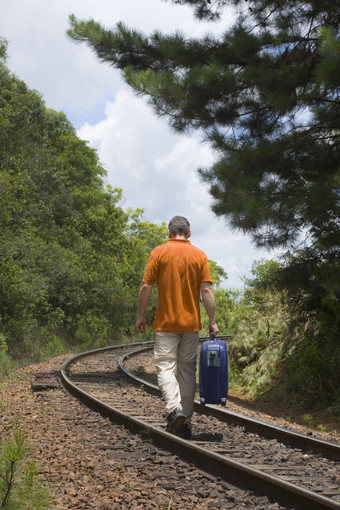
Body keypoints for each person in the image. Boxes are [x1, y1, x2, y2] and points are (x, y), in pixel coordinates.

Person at [136, 215, 219, 439]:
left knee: (164, 367)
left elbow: (146, 286)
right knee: (186, 371)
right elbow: (206, 291)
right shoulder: (199, 255)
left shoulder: (159, 252)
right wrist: (212, 321)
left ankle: (174, 410)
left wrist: (141, 315)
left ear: (169, 233)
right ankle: (185, 421)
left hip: (165, 323)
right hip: (190, 324)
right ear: (189, 233)